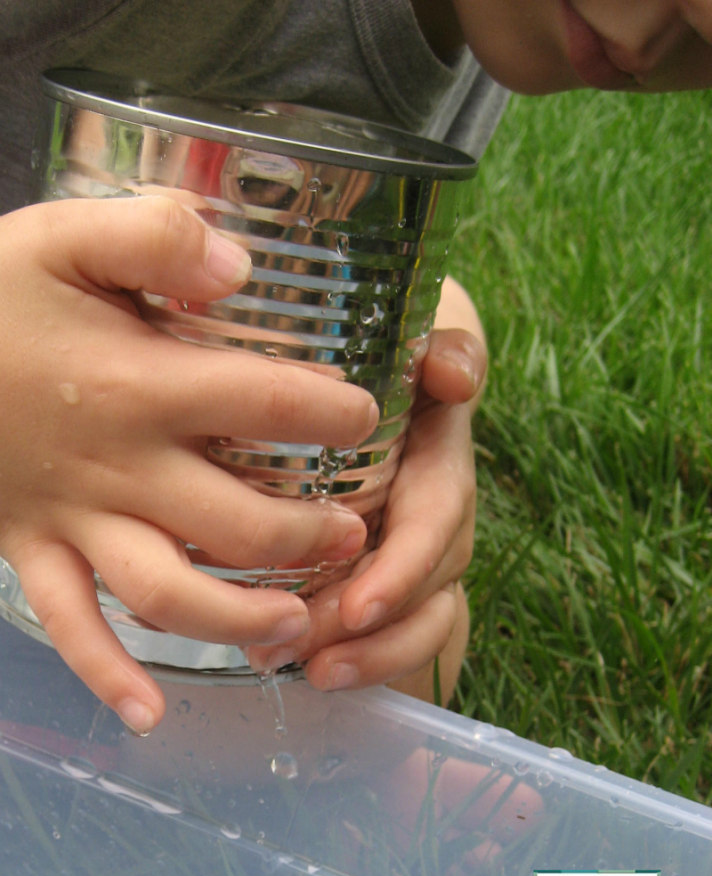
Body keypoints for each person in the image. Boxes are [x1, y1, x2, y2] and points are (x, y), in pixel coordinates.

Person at [0, 0, 710, 736]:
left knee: (387, 646)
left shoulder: (495, 31)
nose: (646, 39)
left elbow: (321, 265)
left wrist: (427, 364)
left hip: (120, 555)